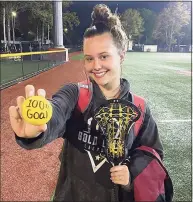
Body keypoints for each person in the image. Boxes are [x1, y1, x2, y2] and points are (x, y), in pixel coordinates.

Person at [9, 4, 171, 202]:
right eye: (89, 58)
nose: (96, 66)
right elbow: (57, 110)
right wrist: (37, 130)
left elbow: (153, 154)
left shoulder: (140, 109)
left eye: (104, 56)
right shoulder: (75, 95)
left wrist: (132, 175)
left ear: (121, 56)